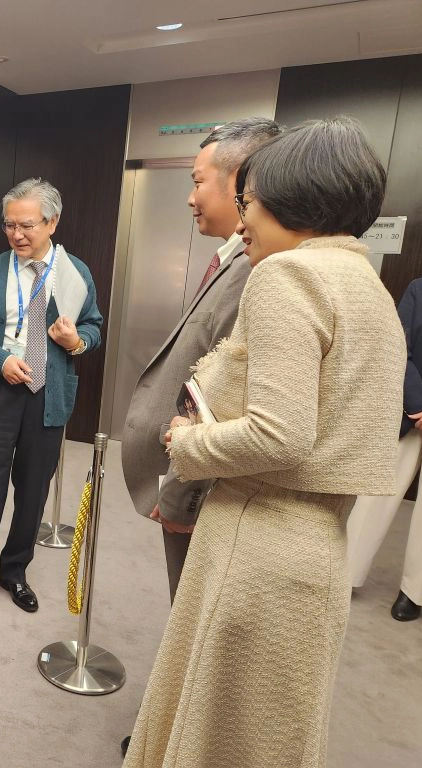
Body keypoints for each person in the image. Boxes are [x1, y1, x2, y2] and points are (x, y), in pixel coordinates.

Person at [124, 118, 405, 767]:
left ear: (292, 198)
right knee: (263, 734)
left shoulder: (287, 276)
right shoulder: (367, 285)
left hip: (256, 542)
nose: (243, 217)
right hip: (319, 546)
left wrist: (189, 441)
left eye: (248, 200)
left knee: (216, 731)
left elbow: (280, 434)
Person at [122, 117, 280, 603]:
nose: (191, 198)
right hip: (188, 466)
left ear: (242, 181)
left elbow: (222, 399)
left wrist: (180, 493)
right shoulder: (233, 258)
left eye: (197, 182)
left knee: (195, 608)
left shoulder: (254, 270)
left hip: (200, 481)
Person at [0, 178, 102, 620]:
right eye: (9, 225)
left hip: (47, 396)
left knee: (34, 490)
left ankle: (15, 572)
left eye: (27, 225)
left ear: (52, 222)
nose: (17, 235)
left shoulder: (75, 273)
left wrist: (77, 341)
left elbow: (93, 327)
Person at [347, 273, 422, 621]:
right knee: (376, 492)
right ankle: (346, 572)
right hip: (411, 400)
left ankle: (415, 592)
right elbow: (396, 349)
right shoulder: (421, 288)